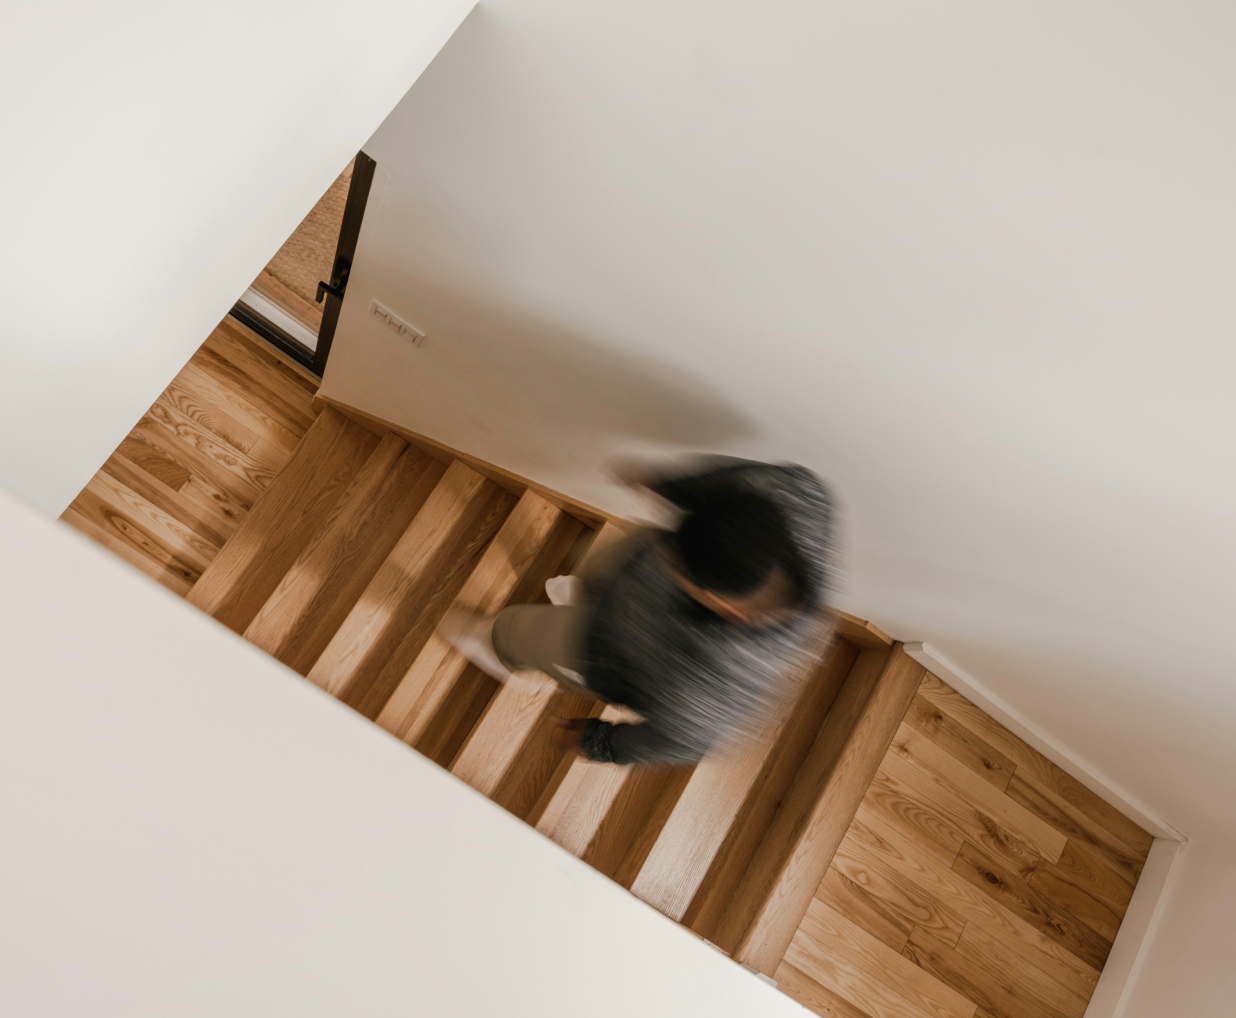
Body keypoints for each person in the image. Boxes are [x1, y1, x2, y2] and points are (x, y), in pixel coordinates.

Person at [441, 456, 834, 765]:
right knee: (594, 568)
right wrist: (663, 485)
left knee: (518, 631)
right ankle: (584, 599)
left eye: (676, 566)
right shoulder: (801, 497)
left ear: (721, 602)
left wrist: (598, 742)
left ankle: (495, 646)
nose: (666, 552)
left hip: (599, 652)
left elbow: (681, 742)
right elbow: (733, 483)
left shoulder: (707, 692)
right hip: (626, 594)